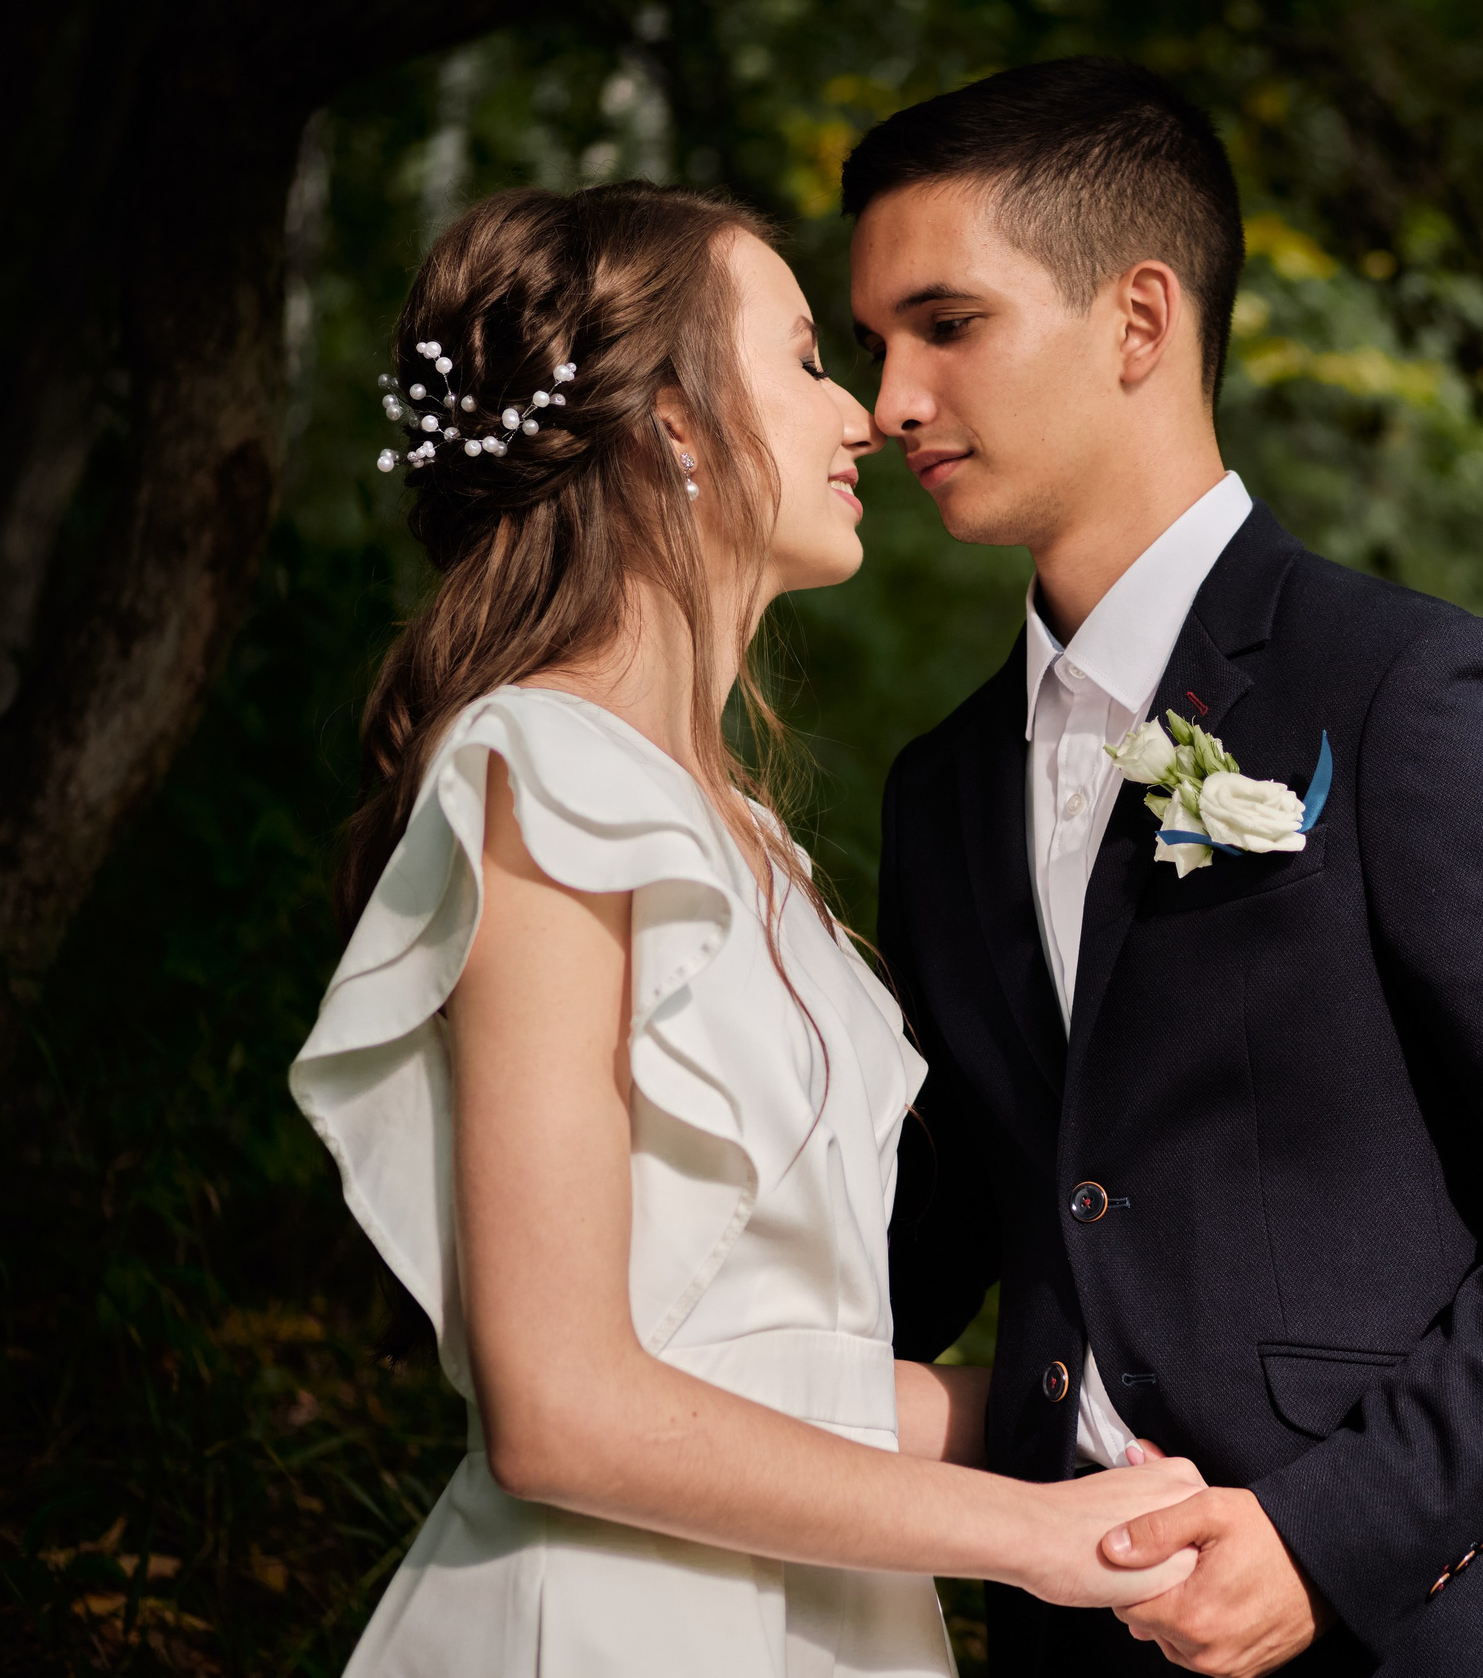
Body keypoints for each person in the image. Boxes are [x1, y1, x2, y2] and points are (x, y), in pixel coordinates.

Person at [853, 59, 1483, 1678]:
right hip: (1070, 1633)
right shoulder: (939, 796)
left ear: (1139, 322)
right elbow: (943, 1243)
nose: (889, 400)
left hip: (1425, 1628)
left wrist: (1332, 1530)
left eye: (947, 325)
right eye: (874, 347)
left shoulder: (1408, 690)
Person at [287, 181, 1205, 1678]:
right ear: (674, 423)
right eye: (804, 359)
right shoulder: (543, 779)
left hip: (820, 1617)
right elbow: (562, 1408)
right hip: (612, 1625)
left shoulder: (751, 841)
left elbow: (790, 1361)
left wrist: (1125, 1395)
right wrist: (1033, 1539)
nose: (866, 419)